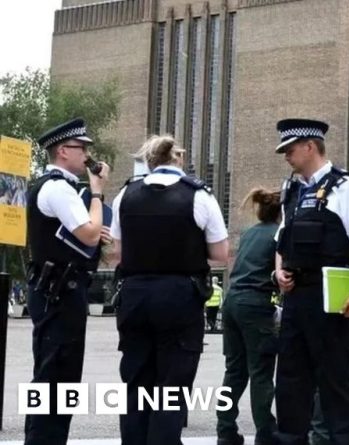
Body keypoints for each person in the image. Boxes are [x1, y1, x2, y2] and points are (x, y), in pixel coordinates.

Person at [111, 135, 229, 445]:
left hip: (134, 295)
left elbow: (115, 255)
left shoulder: (126, 194)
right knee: (171, 386)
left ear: (149, 161)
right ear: (178, 159)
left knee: (136, 384)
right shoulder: (199, 196)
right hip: (179, 296)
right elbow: (220, 254)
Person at [272, 119, 349, 445]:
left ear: (310, 147)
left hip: (329, 300)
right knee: (289, 378)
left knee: (336, 380)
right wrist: (278, 272)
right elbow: (281, 240)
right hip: (295, 298)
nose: (286, 155)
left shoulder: (344, 187)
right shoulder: (292, 190)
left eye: (290, 149)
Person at [24, 118, 111, 445]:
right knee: (57, 378)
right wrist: (98, 192)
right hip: (58, 292)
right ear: (63, 151)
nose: (88, 155)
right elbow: (89, 235)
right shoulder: (59, 187)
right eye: (82, 148)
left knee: (52, 376)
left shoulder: (53, 185)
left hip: (56, 291)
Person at [216, 188, 282, 445]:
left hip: (232, 302)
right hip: (255, 305)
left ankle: (225, 430)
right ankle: (266, 432)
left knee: (234, 371)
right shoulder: (279, 234)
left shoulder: (250, 233)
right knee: (261, 372)